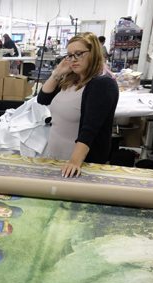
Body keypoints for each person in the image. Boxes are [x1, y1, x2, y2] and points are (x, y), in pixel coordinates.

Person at [37, 32, 119, 178]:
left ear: (93, 53)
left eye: (79, 54)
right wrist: (57, 73)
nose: (73, 60)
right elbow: (43, 99)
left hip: (78, 164)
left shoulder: (102, 84)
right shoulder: (70, 80)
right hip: (55, 158)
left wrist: (74, 162)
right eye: (69, 55)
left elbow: (90, 129)